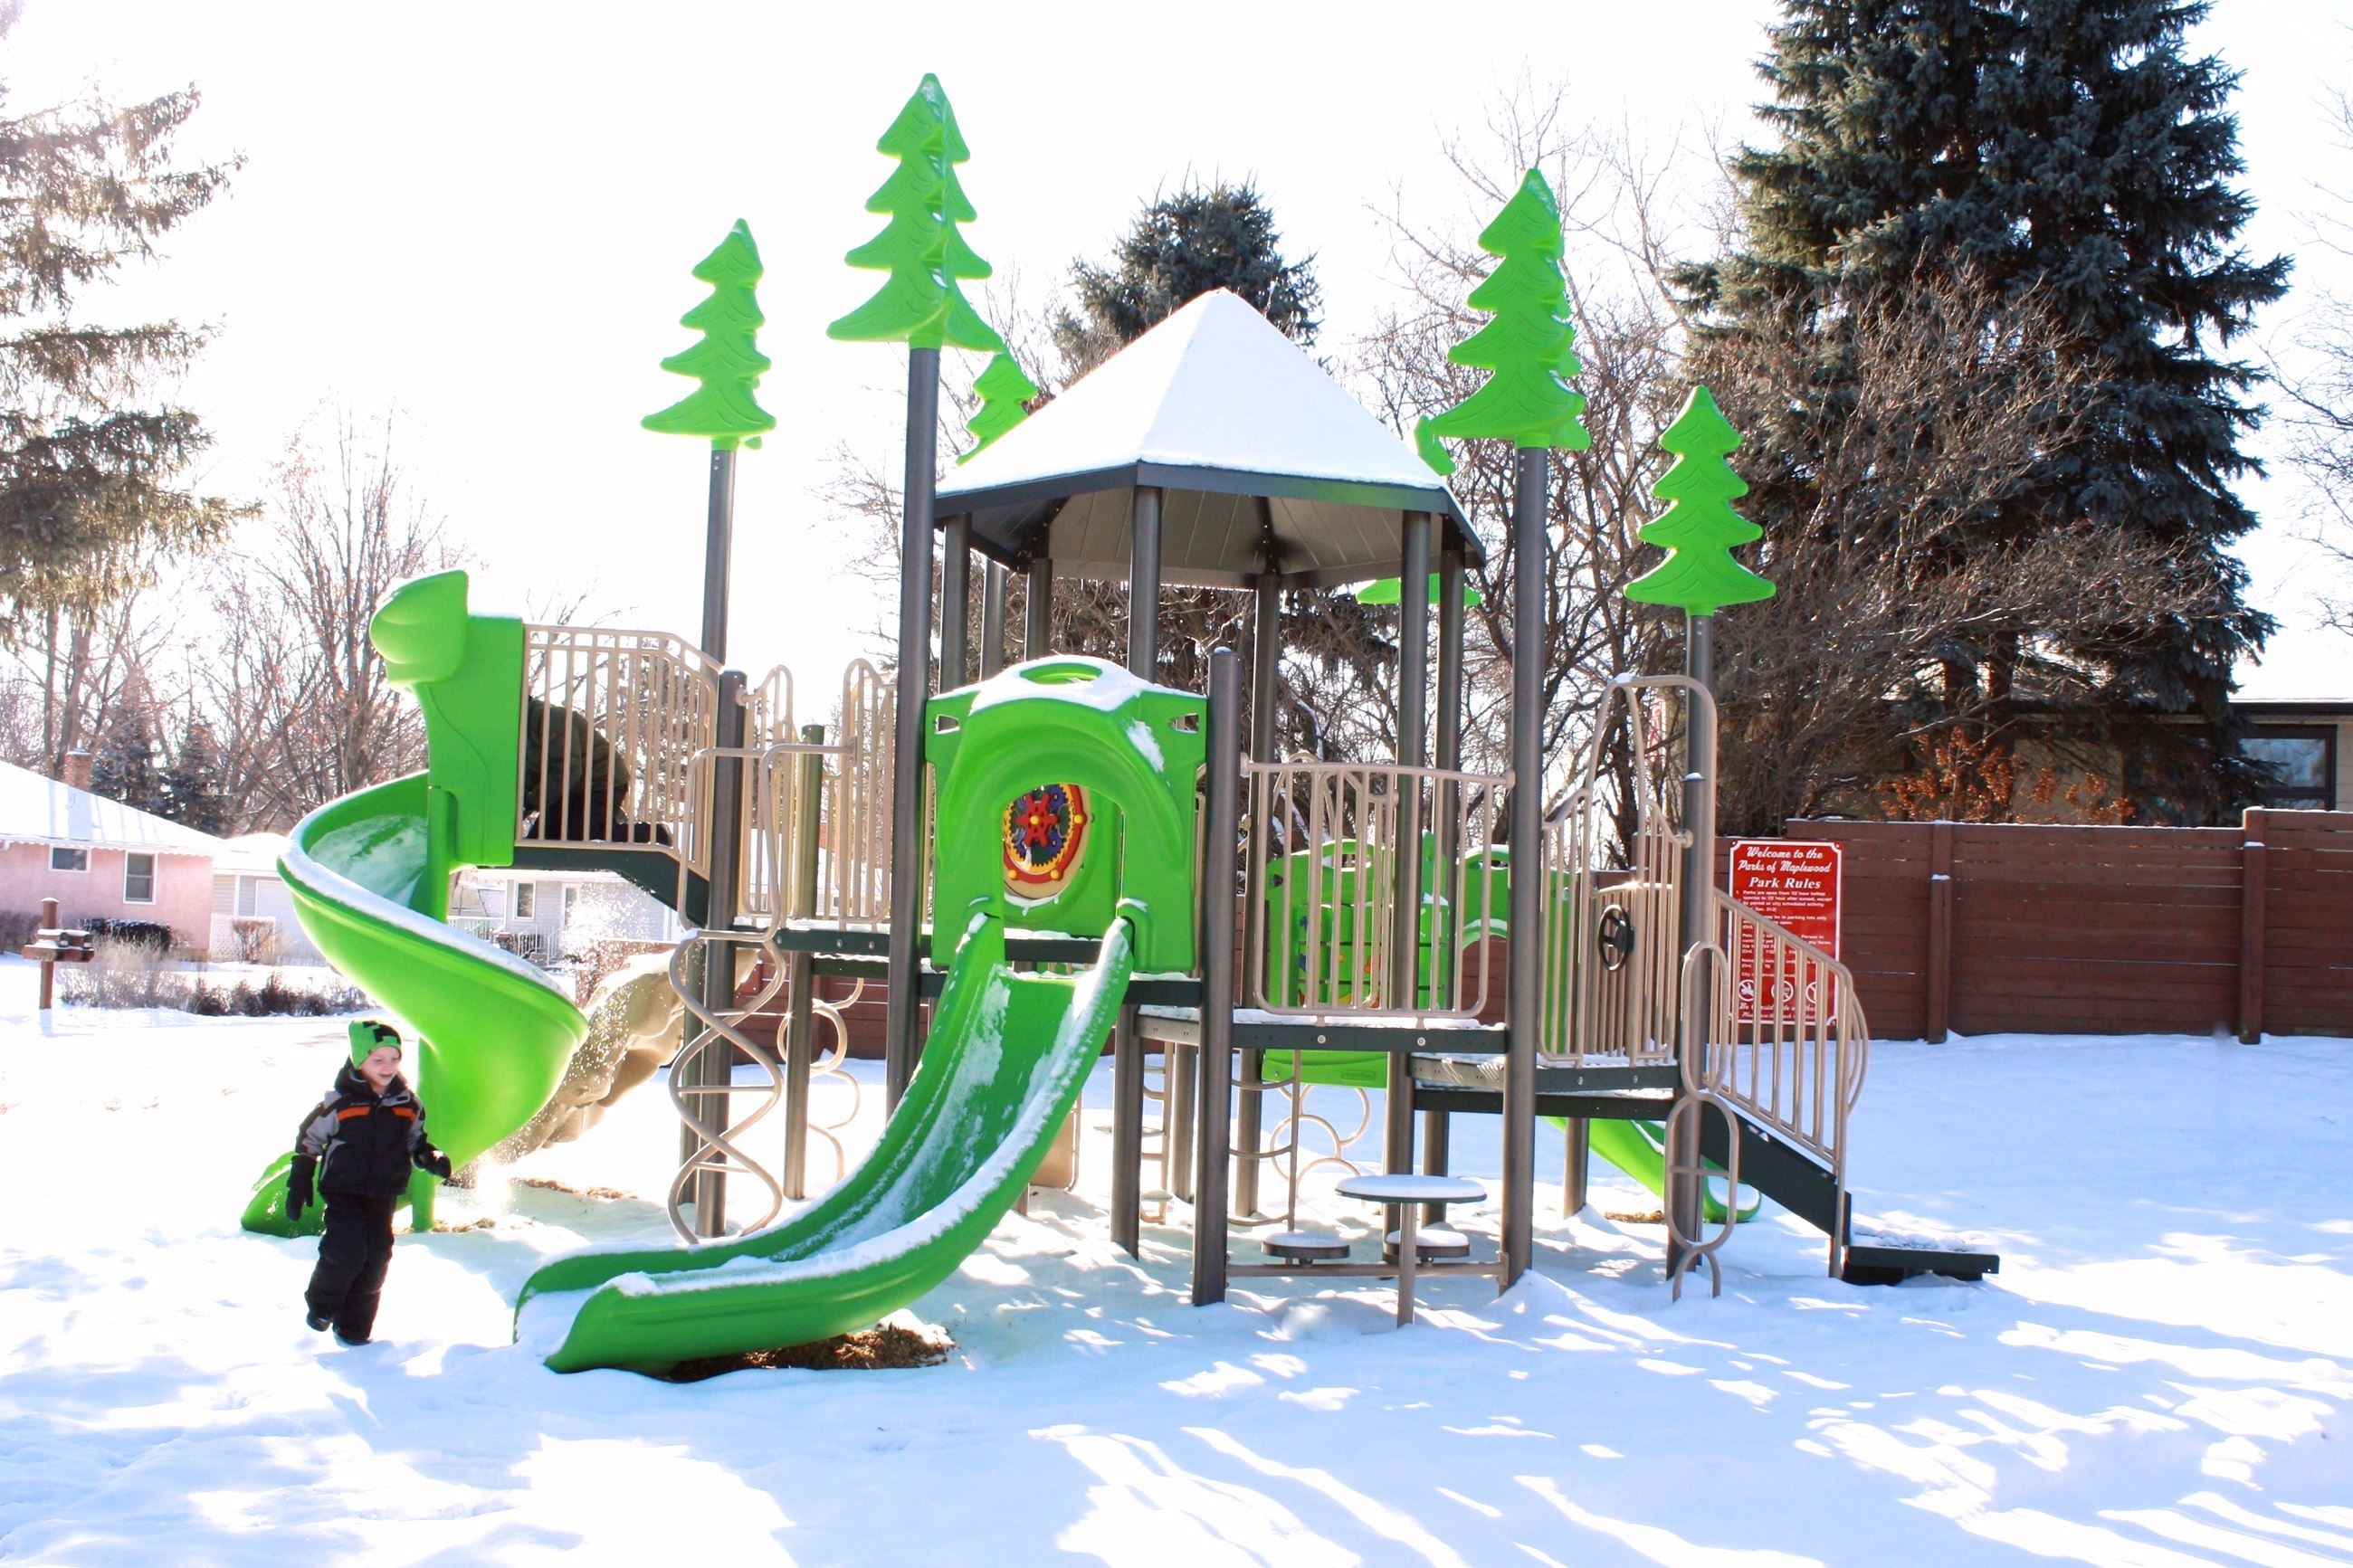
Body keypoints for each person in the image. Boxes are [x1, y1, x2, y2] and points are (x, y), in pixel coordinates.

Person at [286, 1018, 452, 1345]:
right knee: (346, 1250)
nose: (388, 1066)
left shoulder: (408, 1103)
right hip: (343, 1190)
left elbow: (415, 1140)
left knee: (377, 1257)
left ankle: (354, 1328)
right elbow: (309, 1138)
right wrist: (301, 1176)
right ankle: (322, 1307)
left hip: (383, 1191)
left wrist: (430, 1156)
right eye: (378, 1059)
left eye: (395, 1058)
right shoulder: (339, 1103)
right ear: (359, 1060)